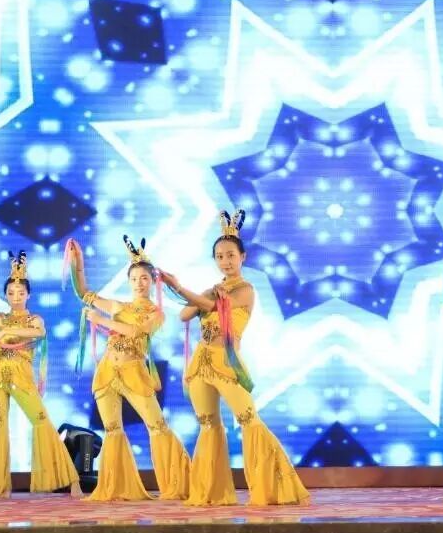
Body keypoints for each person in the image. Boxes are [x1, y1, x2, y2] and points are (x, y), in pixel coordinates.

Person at [160, 209, 309, 506]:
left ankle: (274, 489)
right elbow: (185, 314)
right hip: (201, 363)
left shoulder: (245, 290)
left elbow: (209, 307)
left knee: (248, 419)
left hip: (227, 362)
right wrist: (198, 294)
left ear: (243, 257)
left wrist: (179, 287)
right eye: (219, 256)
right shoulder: (212, 290)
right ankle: (212, 492)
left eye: (230, 255)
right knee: (208, 424)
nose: (225, 261)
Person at [66, 236, 190, 501]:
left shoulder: (156, 313)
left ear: (152, 281)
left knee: (157, 425)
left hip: (134, 373)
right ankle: (117, 487)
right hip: (107, 372)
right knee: (113, 429)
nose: (139, 283)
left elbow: (135, 332)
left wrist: (101, 320)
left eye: (144, 278)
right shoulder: (118, 307)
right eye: (134, 279)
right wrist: (78, 262)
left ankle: (177, 484)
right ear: (128, 281)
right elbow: (83, 293)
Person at [0, 250, 80, 498]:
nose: (15, 297)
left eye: (20, 293)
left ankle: (71, 480)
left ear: (28, 295)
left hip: (21, 378)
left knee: (41, 421)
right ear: (5, 295)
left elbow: (39, 333)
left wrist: (6, 333)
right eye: (10, 293)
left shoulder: (34, 320)